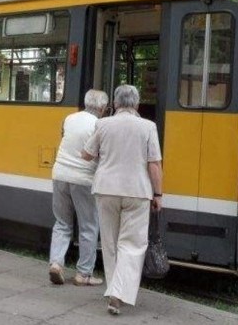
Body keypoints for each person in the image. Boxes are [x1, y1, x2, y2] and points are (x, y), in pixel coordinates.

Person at [82, 84, 162, 316]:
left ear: (115, 103)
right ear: (136, 104)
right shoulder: (148, 126)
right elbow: (154, 164)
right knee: (133, 244)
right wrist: (158, 194)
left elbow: (87, 154)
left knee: (109, 242)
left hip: (106, 189)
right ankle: (119, 293)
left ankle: (113, 290)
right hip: (137, 191)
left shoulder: (103, 123)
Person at [48, 89, 109, 286]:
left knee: (62, 223)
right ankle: (83, 274)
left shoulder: (69, 118)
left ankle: (56, 264)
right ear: (102, 108)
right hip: (84, 179)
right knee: (88, 227)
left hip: (60, 174)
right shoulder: (99, 125)